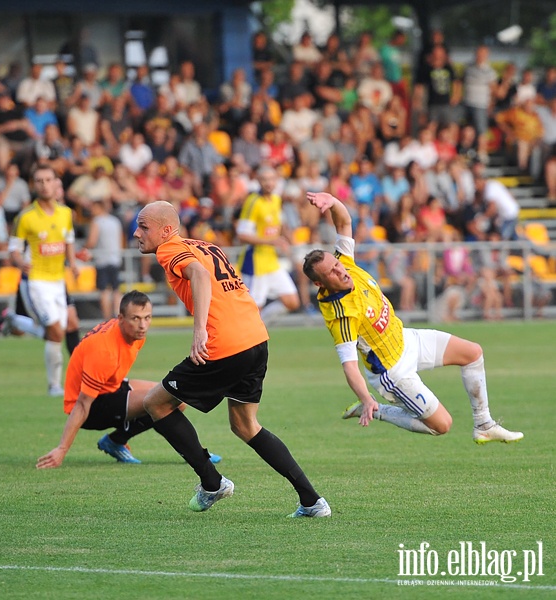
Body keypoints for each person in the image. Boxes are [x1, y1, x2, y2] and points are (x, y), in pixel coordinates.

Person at [133, 200, 329, 516]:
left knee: (156, 403)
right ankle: (311, 501)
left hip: (223, 344)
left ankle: (212, 483)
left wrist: (199, 330)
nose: (137, 233)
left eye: (144, 227)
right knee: (245, 425)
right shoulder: (205, 245)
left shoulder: (168, 249)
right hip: (255, 338)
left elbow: (197, 274)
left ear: (167, 230)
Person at [301, 191, 523, 444]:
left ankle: (484, 424)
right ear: (320, 283)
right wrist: (366, 398)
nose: (340, 270)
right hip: (393, 371)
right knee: (442, 425)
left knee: (472, 353)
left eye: (337, 264)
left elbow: (343, 223)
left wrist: (333, 202)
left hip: (407, 339)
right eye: (331, 271)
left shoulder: (345, 264)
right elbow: (350, 366)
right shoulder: (341, 314)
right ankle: (378, 410)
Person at [37, 291, 222, 468]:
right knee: (162, 401)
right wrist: (62, 449)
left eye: (147, 317)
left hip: (110, 386)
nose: (142, 325)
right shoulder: (104, 350)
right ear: (120, 318)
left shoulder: (134, 333)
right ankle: (194, 454)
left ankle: (116, 441)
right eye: (135, 318)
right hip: (90, 407)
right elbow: (82, 404)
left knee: (176, 399)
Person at [5, 165, 79, 396]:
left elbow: (67, 242)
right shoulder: (25, 217)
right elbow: (13, 249)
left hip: (58, 281)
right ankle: (54, 386)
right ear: (33, 185)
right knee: (56, 332)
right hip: (36, 282)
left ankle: (15, 321)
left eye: (49, 180)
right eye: (39, 181)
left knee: (58, 331)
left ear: (56, 183)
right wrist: (18, 262)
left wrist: (73, 263)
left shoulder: (66, 213)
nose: (45, 184)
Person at [235, 166, 300, 323]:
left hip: (272, 261)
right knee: (254, 309)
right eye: (264, 179)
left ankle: (259, 325)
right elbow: (242, 235)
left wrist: (288, 241)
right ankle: (251, 333)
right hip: (255, 262)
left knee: (292, 302)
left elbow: (278, 225)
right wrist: (271, 241)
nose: (268, 183)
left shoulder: (276, 200)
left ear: (277, 181)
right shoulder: (253, 202)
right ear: (258, 181)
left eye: (271, 179)